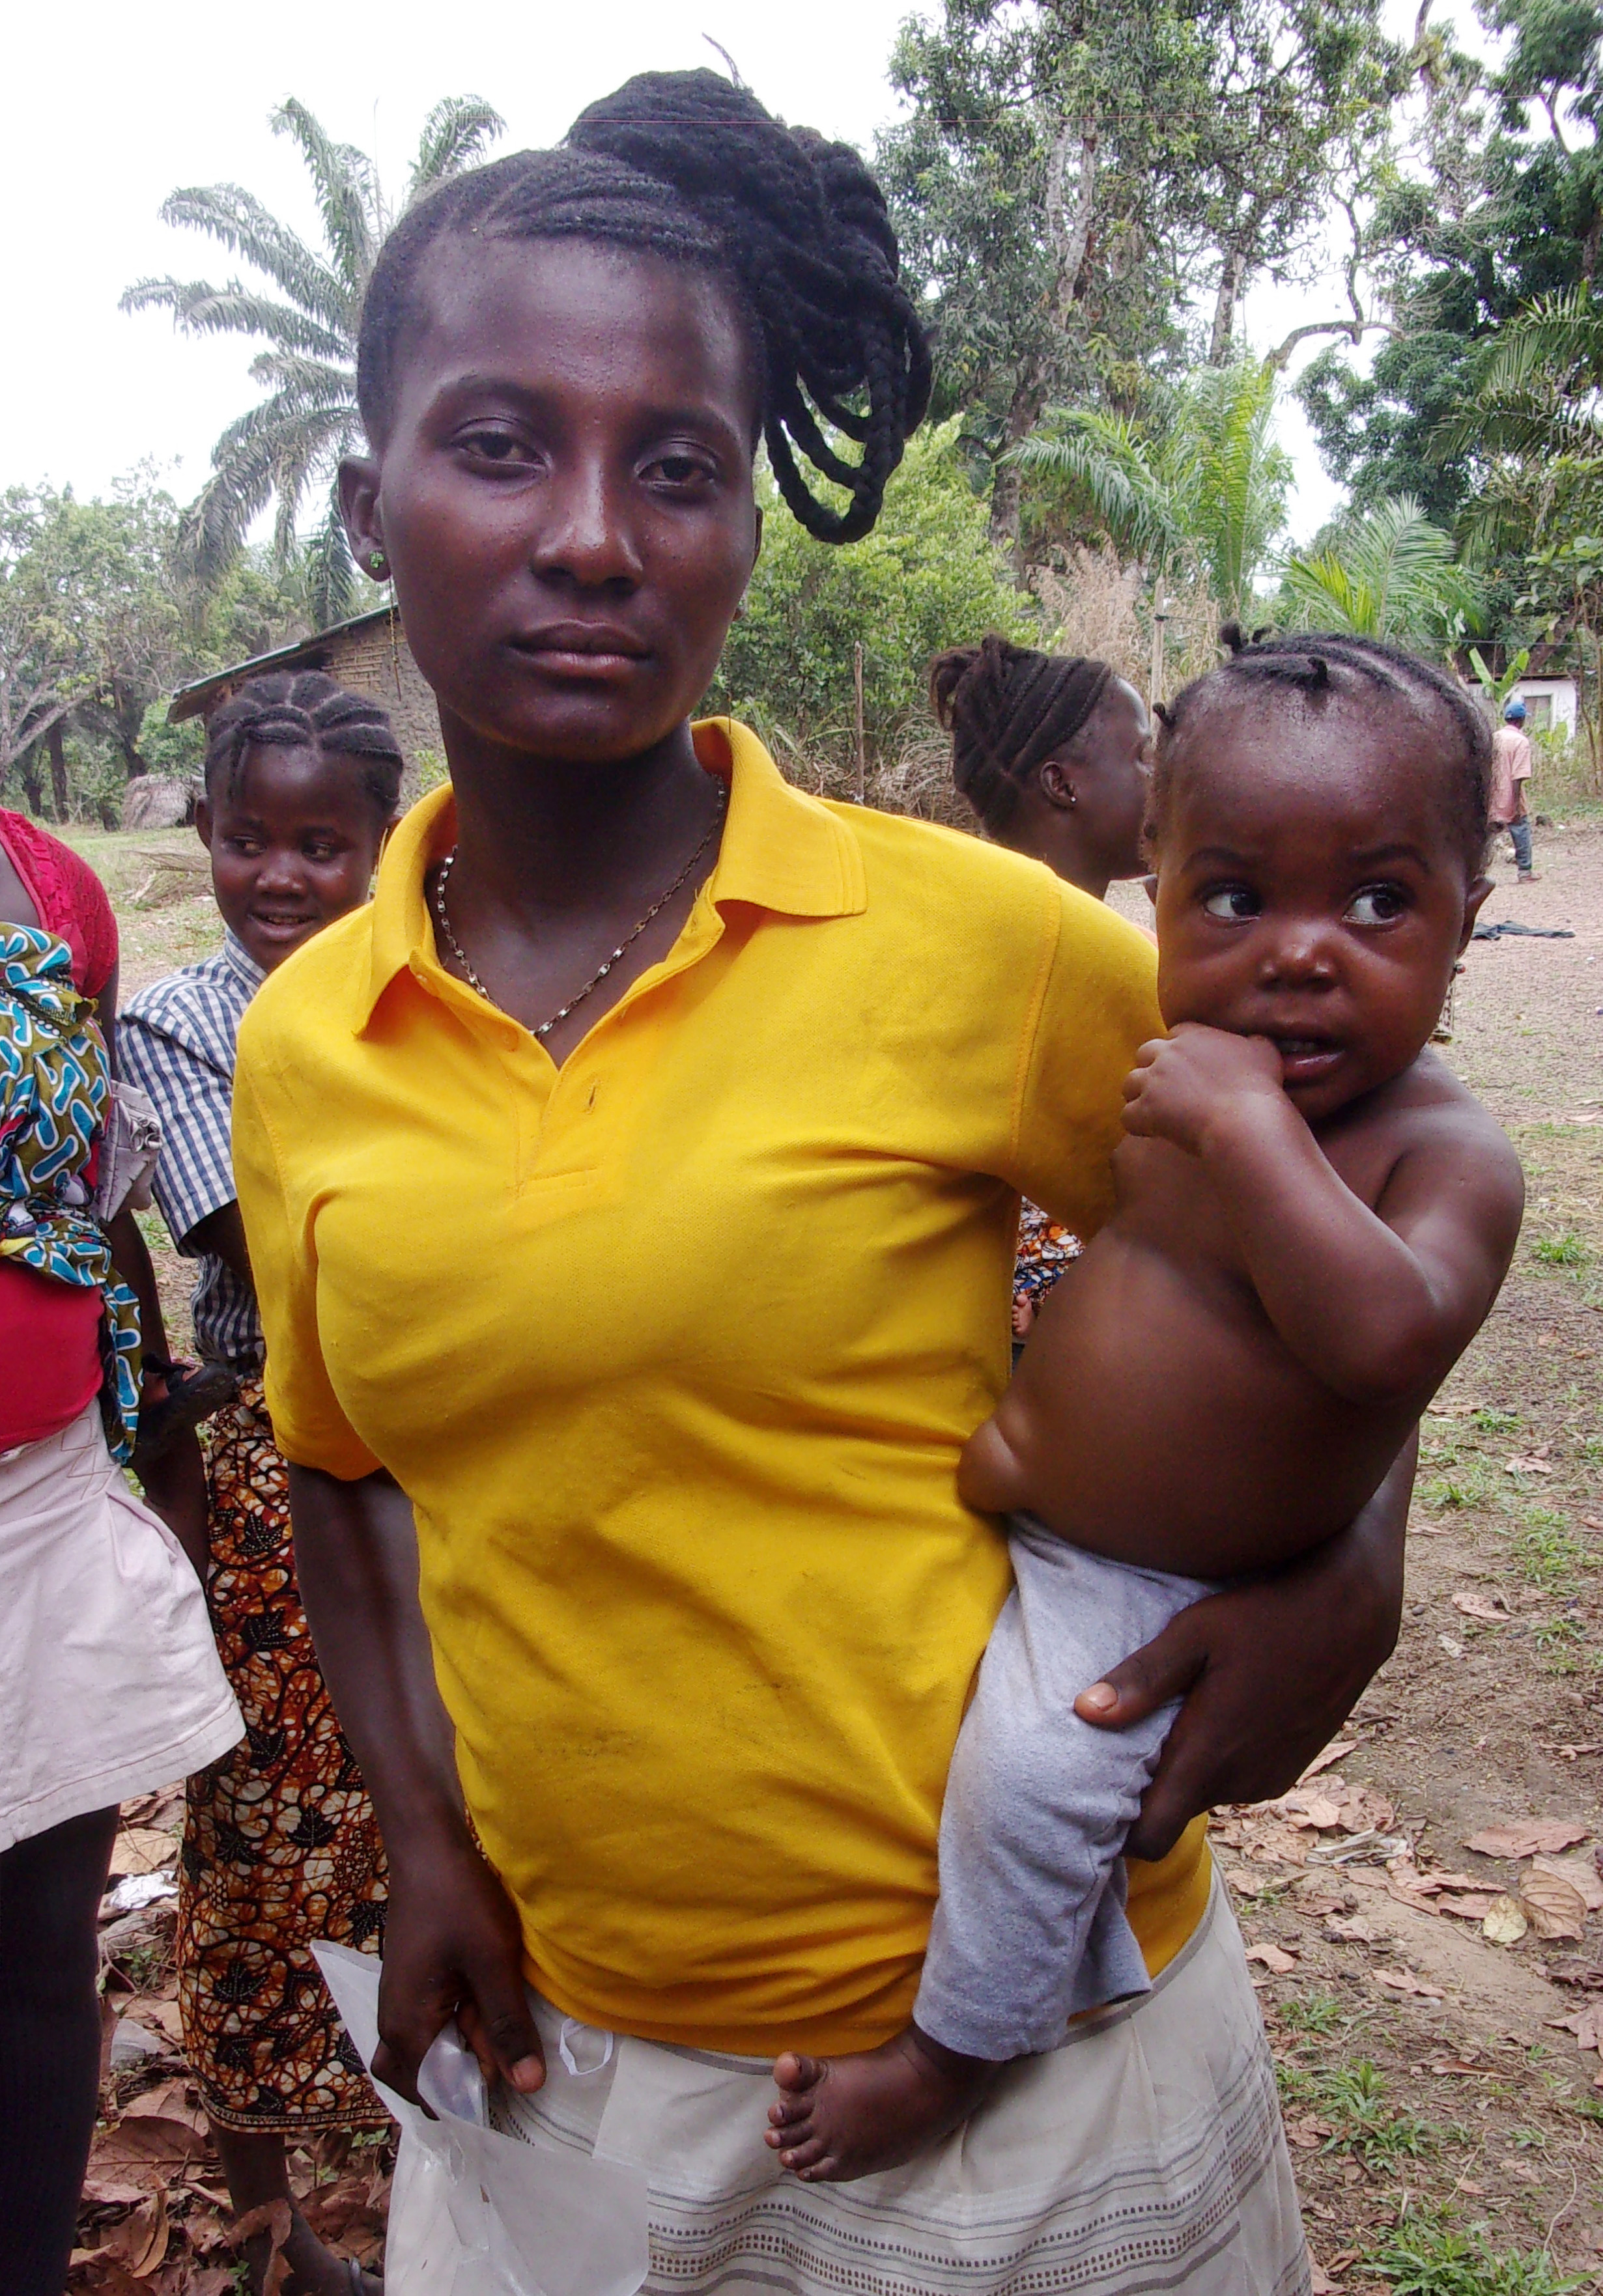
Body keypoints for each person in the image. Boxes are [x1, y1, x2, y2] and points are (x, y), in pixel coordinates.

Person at [232, 72, 1413, 2294]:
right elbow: (341, 1462)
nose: (597, 536)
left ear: (747, 529)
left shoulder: (979, 946)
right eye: (502, 445)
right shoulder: (309, 1043)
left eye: (678, 466)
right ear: (375, 502)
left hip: (1026, 2057)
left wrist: (1353, 1561)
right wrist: (424, 1830)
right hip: (568, 2059)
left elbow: (1352, 1199)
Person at [769, 628, 1524, 2178]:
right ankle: (1065, 1947)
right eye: (1233, 897)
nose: (1299, 953)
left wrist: (1247, 1133)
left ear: (1468, 915)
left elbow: (1385, 1341)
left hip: (1150, 1588)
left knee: (1041, 1780)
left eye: (1377, 901)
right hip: (1026, 1529)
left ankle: (951, 2052)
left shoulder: (1435, 1152)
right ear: (1154, 892)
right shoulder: (1168, 1064)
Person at [120, 675, 401, 2296]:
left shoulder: (435, 980)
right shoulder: (183, 1020)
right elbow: (270, 1237)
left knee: (451, 1792)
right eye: (247, 838)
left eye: (320, 844)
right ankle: (269, 2206)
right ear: (207, 835)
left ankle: (455, 2131)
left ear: (382, 847)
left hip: (454, 1446)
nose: (279, 876)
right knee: (269, 1816)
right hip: (280, 1455)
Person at [0, 813, 240, 2296]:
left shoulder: (51, 888)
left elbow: (94, 1203)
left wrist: (154, 1433)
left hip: (38, 1496)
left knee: (35, 1951)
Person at [933, 636, 1152, 1341]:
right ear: (1063, 785)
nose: (1164, 778)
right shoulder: (1082, 965)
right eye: (1142, 756)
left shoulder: (948, 935)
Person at [1488, 697, 1537, 882]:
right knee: (1521, 830)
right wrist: (1516, 805)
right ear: (1521, 720)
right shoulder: (1520, 741)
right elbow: (1518, 776)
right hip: (1510, 795)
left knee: (1487, 836)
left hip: (1491, 796)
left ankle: (1477, 873)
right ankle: (1525, 871)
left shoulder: (1494, 738)